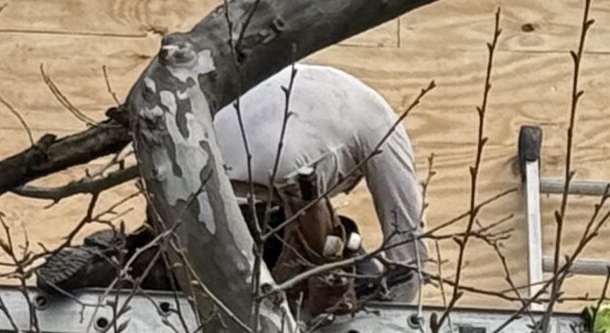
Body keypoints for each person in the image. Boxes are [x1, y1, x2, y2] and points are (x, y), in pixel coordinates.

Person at [33, 63, 425, 312]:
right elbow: (408, 253)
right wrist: (390, 320)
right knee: (348, 255)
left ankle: (124, 260)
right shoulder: (381, 122)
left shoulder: (282, 82)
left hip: (177, 205)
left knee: (181, 255)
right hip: (260, 224)